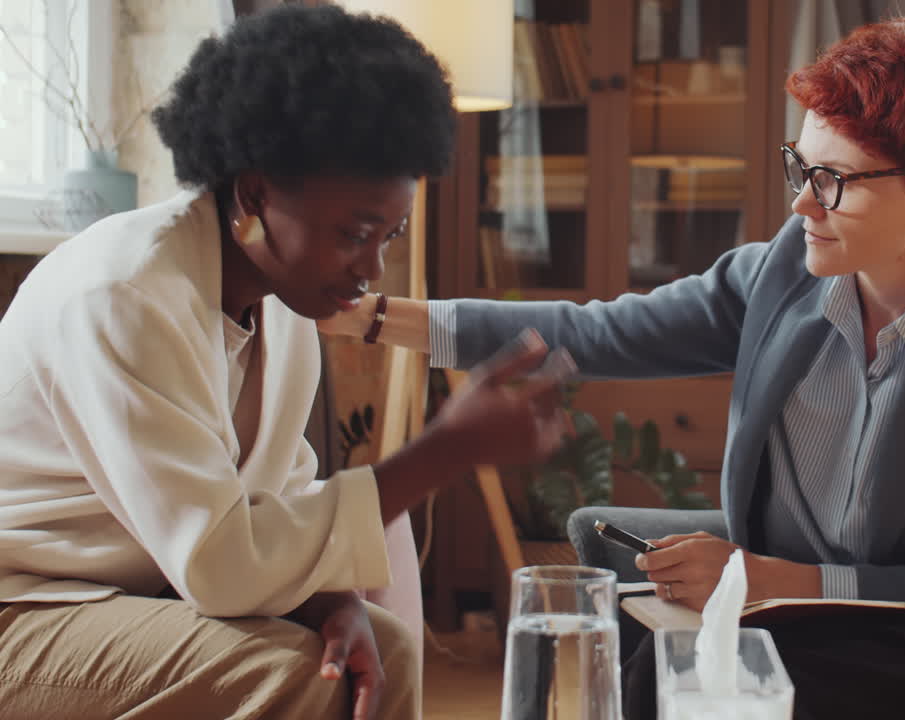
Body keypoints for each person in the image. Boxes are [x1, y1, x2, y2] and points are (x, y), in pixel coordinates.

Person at [323, 17, 905, 720]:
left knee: (751, 677)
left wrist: (765, 577)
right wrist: (379, 317)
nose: (803, 204)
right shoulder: (780, 276)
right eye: (802, 167)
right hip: (803, 619)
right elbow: (595, 333)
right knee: (640, 659)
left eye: (835, 181)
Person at [0, 6, 569, 719]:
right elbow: (222, 565)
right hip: (25, 607)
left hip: (133, 593)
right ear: (256, 195)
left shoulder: (278, 303)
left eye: (388, 235)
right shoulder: (128, 296)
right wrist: (445, 448)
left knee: (379, 648)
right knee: (294, 676)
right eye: (355, 234)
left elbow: (276, 500)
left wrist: (332, 603)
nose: (373, 268)